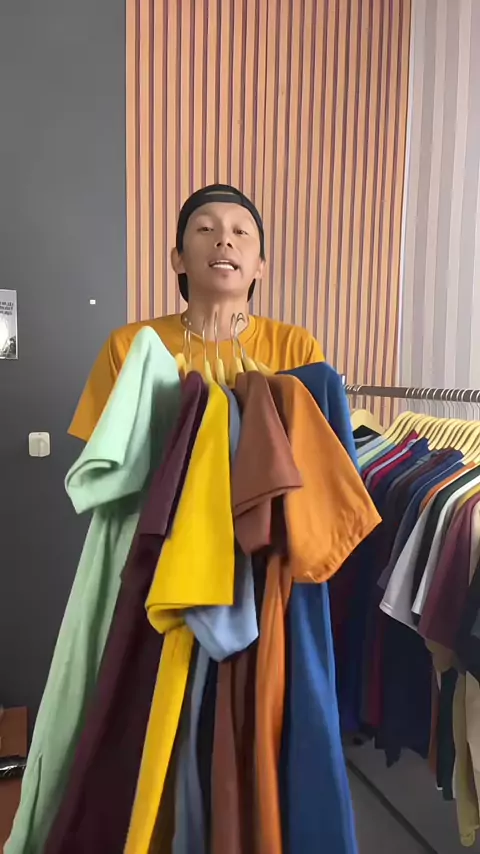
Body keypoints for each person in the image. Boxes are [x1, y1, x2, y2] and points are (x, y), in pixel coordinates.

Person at [69, 184, 324, 442]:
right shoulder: (129, 346)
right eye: (206, 229)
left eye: (240, 231)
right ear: (178, 259)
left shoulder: (298, 349)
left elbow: (317, 451)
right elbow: (103, 458)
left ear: (260, 266)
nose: (224, 240)